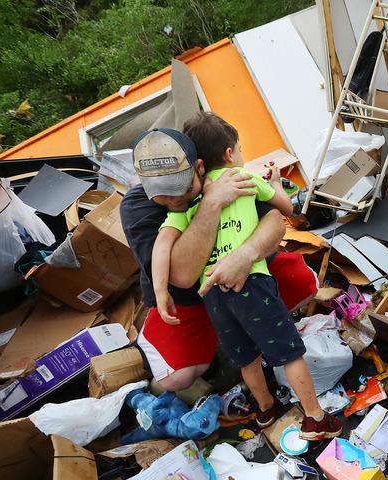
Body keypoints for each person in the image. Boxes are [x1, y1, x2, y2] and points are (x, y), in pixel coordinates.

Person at [142, 113, 341, 440]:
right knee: (288, 351)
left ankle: (264, 411)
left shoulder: (188, 203)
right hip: (251, 283)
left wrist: (161, 290)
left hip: (214, 293)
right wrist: (276, 184)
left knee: (247, 357)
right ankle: (316, 419)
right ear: (230, 153)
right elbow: (286, 209)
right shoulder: (243, 177)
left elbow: (162, 244)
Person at [120, 127, 315, 399]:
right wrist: (210, 204)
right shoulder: (136, 206)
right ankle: (216, 341)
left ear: (199, 167)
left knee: (303, 280)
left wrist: (245, 255)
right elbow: (184, 276)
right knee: (178, 378)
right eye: (163, 194)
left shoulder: (225, 177)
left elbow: (274, 223)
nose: (174, 199)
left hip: (241, 279)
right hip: (187, 301)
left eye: (181, 188)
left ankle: (241, 335)